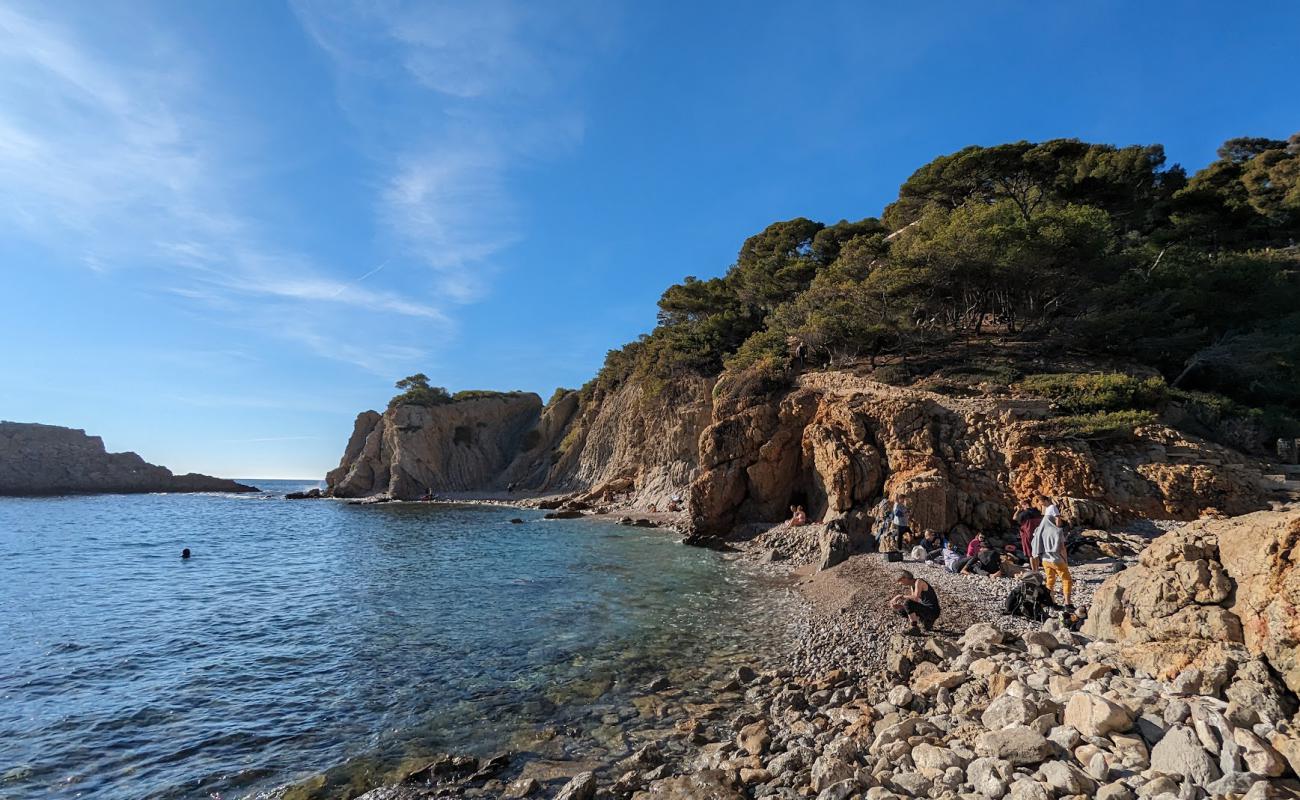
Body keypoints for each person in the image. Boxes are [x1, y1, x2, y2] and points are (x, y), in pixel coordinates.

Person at [1032, 496, 1072, 607]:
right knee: (1066, 580)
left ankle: (1051, 602)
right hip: (1057, 559)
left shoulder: (1040, 531)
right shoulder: (1056, 531)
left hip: (1045, 560)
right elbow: (1062, 548)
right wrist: (1066, 560)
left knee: (1050, 581)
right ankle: (1068, 603)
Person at [1013, 499, 1044, 570]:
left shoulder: (1024, 513)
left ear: (1025, 504)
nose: (1021, 506)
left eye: (1022, 504)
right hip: (1037, 534)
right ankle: (1037, 569)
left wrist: (1018, 510)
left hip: (1027, 534)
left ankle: (1034, 570)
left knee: (1031, 554)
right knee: (1036, 553)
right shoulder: (1036, 511)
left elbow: (1014, 518)